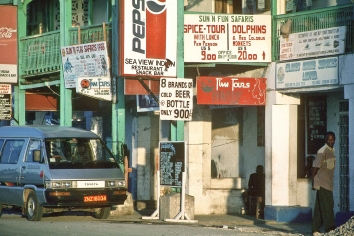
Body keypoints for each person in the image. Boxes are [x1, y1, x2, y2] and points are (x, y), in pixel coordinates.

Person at [311, 131, 336, 235]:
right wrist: (313, 180)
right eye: (328, 139)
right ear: (325, 140)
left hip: (328, 183)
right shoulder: (322, 151)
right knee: (328, 206)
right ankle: (330, 229)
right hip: (322, 183)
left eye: (332, 139)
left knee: (320, 207)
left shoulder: (332, 150)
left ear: (334, 139)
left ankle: (315, 229)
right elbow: (316, 166)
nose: (330, 141)